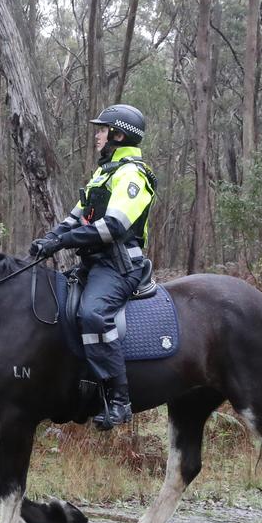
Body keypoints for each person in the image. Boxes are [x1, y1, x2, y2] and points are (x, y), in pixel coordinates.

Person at [29, 104, 156, 431]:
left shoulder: (133, 175)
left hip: (119, 267)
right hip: (93, 264)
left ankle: (119, 399)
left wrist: (64, 242)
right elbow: (75, 217)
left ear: (118, 134)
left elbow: (113, 226)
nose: (97, 135)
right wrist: (49, 239)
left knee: (92, 313)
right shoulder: (104, 173)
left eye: (102, 130)